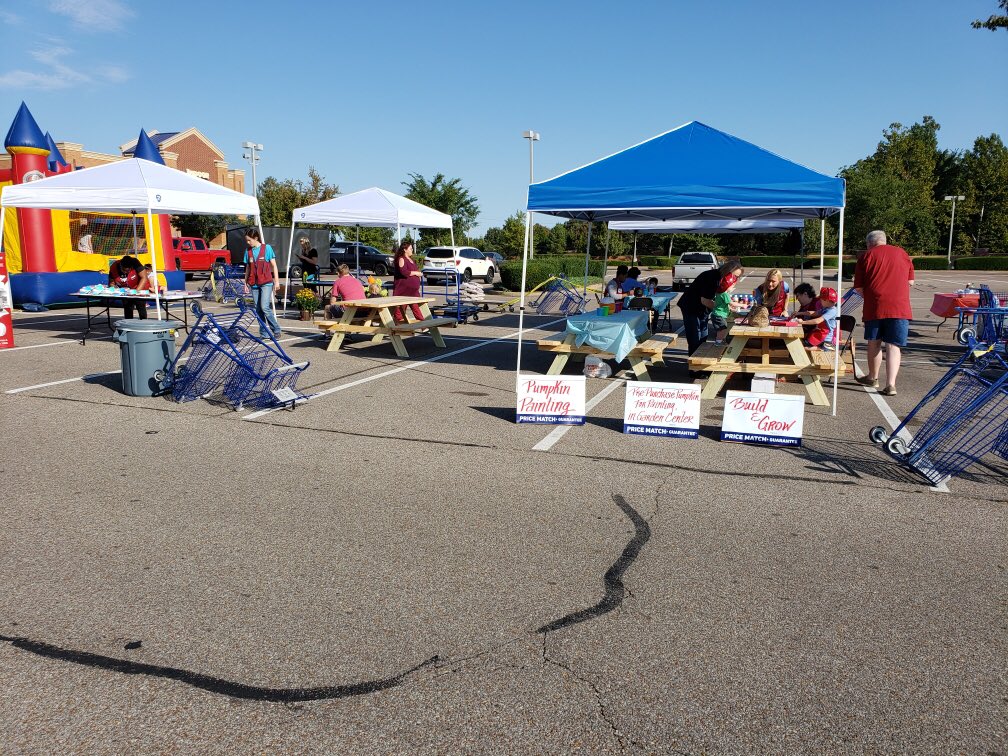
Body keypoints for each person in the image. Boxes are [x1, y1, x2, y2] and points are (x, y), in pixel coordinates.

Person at [853, 229, 914, 396]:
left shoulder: (866, 257)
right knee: (893, 346)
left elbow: (858, 287)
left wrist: (871, 295)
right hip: (900, 307)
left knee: (874, 342)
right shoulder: (902, 254)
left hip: (875, 306)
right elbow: (910, 281)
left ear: (869, 243)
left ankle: (873, 377)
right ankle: (891, 384)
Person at [677, 260, 744, 361]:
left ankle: (700, 363)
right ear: (727, 271)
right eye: (734, 276)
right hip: (691, 307)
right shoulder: (713, 278)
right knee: (695, 338)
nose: (735, 279)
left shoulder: (721, 280)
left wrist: (726, 307)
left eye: (737, 277)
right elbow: (705, 301)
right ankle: (694, 369)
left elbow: (716, 300)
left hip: (702, 309)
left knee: (703, 337)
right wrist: (723, 310)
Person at [243, 228, 282, 338]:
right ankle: (264, 333)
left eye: (249, 240)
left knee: (264, 307)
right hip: (253, 283)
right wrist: (245, 283)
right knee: (258, 309)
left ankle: (276, 329)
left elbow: (274, 266)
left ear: (256, 238)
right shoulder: (248, 251)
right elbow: (248, 268)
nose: (248, 243)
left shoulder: (267, 248)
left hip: (266, 282)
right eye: (246, 240)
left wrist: (277, 282)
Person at [392, 240, 424, 323]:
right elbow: (404, 272)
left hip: (412, 290)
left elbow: (414, 270)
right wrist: (415, 273)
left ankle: (423, 325)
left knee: (415, 307)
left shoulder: (411, 259)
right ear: (405, 250)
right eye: (410, 248)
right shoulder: (401, 259)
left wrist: (418, 274)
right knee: (400, 308)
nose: (412, 250)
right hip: (403, 289)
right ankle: (398, 325)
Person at [709, 273, 745, 343]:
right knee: (722, 329)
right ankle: (719, 342)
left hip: (717, 314)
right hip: (719, 315)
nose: (733, 288)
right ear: (727, 286)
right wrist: (742, 305)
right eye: (732, 286)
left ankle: (720, 341)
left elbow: (723, 304)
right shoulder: (725, 294)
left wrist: (731, 309)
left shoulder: (719, 292)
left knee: (721, 330)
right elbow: (731, 303)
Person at [108, 255, 146, 320]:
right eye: (124, 270)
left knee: (140, 306)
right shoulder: (114, 267)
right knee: (128, 308)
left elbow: (144, 277)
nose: (126, 272)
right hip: (125, 290)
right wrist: (117, 290)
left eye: (128, 271)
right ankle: (129, 324)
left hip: (137, 287)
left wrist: (136, 291)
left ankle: (144, 323)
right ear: (121, 266)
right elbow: (111, 283)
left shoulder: (135, 263)